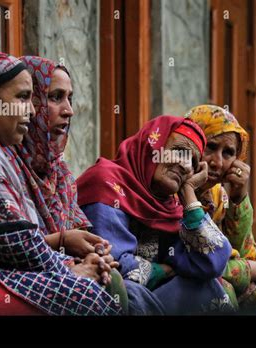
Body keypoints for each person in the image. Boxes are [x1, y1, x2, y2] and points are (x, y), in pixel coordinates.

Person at [0, 51, 121, 315]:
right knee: (84, 298)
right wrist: (71, 270)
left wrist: (76, 263)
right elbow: (18, 244)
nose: (33, 111)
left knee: (102, 286)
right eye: (23, 98)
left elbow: (17, 246)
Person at [77, 116, 236, 314]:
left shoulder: (170, 207)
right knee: (129, 292)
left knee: (206, 286)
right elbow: (113, 265)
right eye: (179, 152)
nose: (186, 166)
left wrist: (188, 193)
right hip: (107, 298)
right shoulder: (106, 183)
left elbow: (213, 262)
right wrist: (167, 270)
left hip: (146, 300)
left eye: (193, 163)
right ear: (153, 147)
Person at [185, 104, 256, 309]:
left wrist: (239, 196)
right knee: (222, 287)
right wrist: (254, 271)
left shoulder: (218, 195)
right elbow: (195, 263)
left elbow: (243, 252)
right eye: (210, 146)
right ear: (190, 143)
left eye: (228, 153)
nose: (217, 162)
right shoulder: (173, 188)